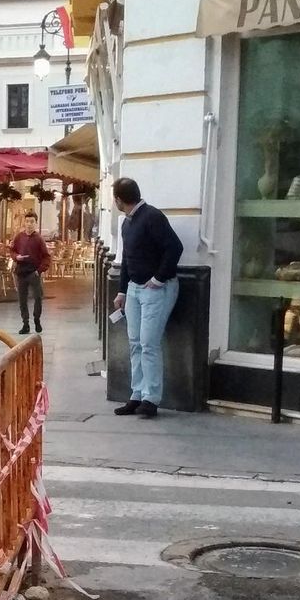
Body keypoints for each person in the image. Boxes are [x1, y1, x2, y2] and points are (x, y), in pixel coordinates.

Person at [110, 177, 183, 419]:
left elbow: (175, 247)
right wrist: (122, 291)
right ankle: (137, 394)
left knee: (148, 343)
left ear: (119, 199)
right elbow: (127, 260)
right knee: (135, 342)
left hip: (156, 289)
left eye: (114, 198)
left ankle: (151, 398)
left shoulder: (152, 216)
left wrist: (158, 279)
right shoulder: (127, 223)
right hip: (134, 289)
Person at [10, 210, 50, 335]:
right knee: (22, 299)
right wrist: (16, 257)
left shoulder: (39, 239)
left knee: (38, 297)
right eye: (27, 221)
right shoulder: (19, 237)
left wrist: (39, 270)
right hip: (21, 272)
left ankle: (37, 319)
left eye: (32, 222)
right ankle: (25, 323)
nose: (29, 224)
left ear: (35, 223)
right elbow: (12, 250)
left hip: (34, 272)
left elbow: (46, 257)